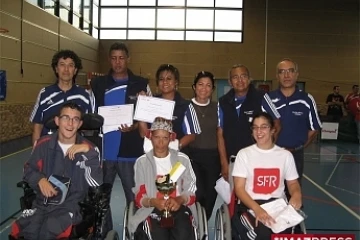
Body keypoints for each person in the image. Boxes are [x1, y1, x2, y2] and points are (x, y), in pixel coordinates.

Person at [10, 102, 103, 240]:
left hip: (71, 206)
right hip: (42, 203)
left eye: (75, 119)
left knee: (50, 229)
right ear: (57, 121)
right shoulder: (43, 144)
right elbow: (28, 169)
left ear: (80, 124)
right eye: (65, 117)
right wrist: (40, 179)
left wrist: (88, 153)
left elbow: (96, 182)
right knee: (24, 229)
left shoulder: (89, 149)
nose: (70, 124)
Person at [90, 42, 151, 205]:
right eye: (114, 58)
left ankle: (135, 230)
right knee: (100, 200)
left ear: (128, 59)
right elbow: (91, 114)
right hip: (104, 153)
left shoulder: (141, 84)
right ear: (109, 60)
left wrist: (135, 125)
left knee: (135, 200)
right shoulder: (97, 84)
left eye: (121, 58)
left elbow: (149, 116)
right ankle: (104, 230)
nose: (118, 62)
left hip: (130, 153)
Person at [232, 112, 302, 240]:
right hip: (250, 206)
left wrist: (297, 194)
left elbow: (292, 183)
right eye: (255, 127)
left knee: (287, 232)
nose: (259, 131)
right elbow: (239, 189)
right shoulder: (244, 154)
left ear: (273, 130)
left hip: (277, 205)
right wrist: (257, 209)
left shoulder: (285, 155)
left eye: (264, 127)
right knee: (263, 233)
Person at [129, 117, 197, 240]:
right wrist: (153, 201)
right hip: (151, 210)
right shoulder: (142, 162)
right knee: (157, 236)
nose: (160, 142)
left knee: (183, 235)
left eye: (165, 138)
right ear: (150, 136)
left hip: (179, 207)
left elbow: (191, 187)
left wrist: (180, 199)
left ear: (171, 138)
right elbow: (140, 194)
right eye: (157, 137)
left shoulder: (182, 160)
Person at [217, 64, 281, 181]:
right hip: (233, 162)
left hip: (257, 161)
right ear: (230, 81)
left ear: (249, 78)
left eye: (243, 76)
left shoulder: (261, 97)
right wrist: (223, 163)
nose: (240, 80)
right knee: (233, 197)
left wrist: (267, 150)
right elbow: (220, 134)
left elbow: (276, 123)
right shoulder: (223, 101)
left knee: (256, 197)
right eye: (235, 77)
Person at [267, 58, 322, 182]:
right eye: (282, 72)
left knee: (294, 194)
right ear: (277, 76)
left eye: (290, 71)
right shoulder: (268, 99)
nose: (286, 75)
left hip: (295, 156)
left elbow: (314, 129)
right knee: (270, 195)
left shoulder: (307, 99)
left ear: (297, 74)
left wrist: (298, 148)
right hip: (271, 155)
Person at [30, 50, 94, 145]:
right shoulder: (45, 93)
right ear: (56, 69)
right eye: (62, 65)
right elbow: (37, 126)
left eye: (70, 65)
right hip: (48, 150)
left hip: (75, 151)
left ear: (75, 70)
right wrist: (36, 153)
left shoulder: (84, 95)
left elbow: (89, 128)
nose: (66, 69)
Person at [139, 64, 201, 155]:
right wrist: (142, 106)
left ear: (176, 82)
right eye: (161, 79)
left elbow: (192, 135)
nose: (165, 82)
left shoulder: (185, 105)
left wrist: (175, 147)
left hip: (176, 157)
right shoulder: (151, 103)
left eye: (169, 78)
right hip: (152, 156)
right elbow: (143, 133)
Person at [188, 71, 220, 220]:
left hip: (213, 158)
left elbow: (221, 135)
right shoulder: (185, 107)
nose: (204, 88)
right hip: (191, 157)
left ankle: (203, 225)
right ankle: (193, 224)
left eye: (208, 85)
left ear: (212, 89)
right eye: (200, 84)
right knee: (197, 193)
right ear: (194, 87)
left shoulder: (218, 108)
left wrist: (224, 163)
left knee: (210, 195)